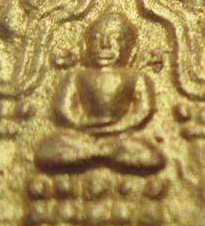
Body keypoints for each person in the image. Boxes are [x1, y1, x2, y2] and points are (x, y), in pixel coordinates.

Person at [35, 11, 164, 173]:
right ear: (84, 46)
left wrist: (119, 127)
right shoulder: (76, 77)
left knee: (149, 153)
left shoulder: (136, 77)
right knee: (50, 147)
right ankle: (103, 153)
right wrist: (83, 125)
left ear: (131, 48)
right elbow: (62, 109)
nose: (105, 45)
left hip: (121, 136)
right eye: (96, 39)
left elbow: (143, 110)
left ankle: (93, 153)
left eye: (116, 39)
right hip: (81, 135)